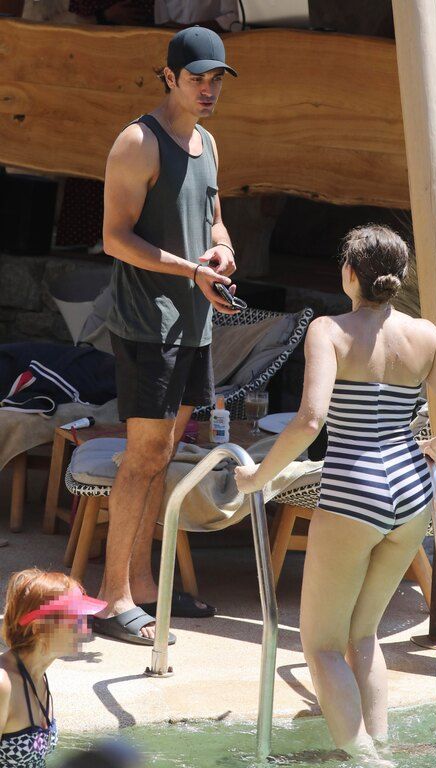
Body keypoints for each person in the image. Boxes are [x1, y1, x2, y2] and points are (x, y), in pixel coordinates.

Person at [235, 224, 436, 761]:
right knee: (363, 634)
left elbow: (310, 420)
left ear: (349, 274)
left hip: (353, 490)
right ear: (400, 277)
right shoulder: (426, 336)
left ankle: (366, 759)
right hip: (413, 491)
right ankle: (379, 745)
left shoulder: (329, 330)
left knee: (321, 644)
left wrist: (259, 477)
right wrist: (430, 448)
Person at [96, 26, 239, 644]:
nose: (208, 89)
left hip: (194, 324)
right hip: (146, 325)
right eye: (196, 78)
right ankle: (112, 599)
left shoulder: (207, 142)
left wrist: (222, 252)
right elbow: (114, 238)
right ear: (169, 77)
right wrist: (190, 270)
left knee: (162, 456)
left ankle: (145, 588)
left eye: (216, 79)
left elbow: (215, 221)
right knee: (142, 458)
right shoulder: (137, 141)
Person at [0, 568, 107, 767]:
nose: (84, 629)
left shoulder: (39, 676)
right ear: (38, 627)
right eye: (74, 620)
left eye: (84, 619)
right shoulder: (3, 684)